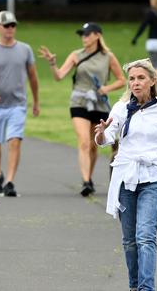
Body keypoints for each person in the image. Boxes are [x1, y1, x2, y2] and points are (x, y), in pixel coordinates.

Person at [95, 58, 157, 291]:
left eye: (141, 78)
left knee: (145, 236)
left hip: (153, 179)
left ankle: (146, 288)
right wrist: (101, 134)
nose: (136, 83)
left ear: (153, 81)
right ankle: (134, 286)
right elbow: (105, 140)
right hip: (125, 178)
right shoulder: (121, 109)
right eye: (132, 78)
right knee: (130, 240)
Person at [38, 22, 126, 196]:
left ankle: (89, 177)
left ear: (97, 36)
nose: (84, 38)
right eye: (82, 35)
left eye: (87, 34)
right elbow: (59, 76)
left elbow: (121, 80)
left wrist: (105, 89)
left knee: (93, 145)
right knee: (84, 141)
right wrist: (52, 63)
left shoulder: (107, 56)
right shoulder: (76, 55)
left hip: (99, 103)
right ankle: (86, 181)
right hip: (79, 102)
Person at [0, 10, 40, 197]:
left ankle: (10, 181)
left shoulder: (25, 49)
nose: (10, 29)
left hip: (17, 104)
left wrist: (36, 101)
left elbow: (33, 77)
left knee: (14, 140)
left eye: (13, 25)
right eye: (6, 25)